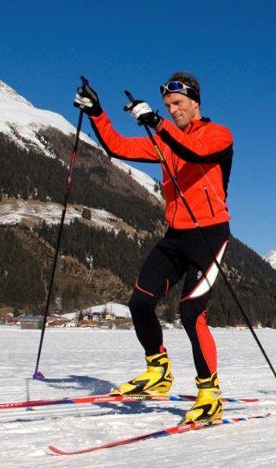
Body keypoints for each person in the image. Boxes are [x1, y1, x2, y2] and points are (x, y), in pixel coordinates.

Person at [74, 72, 234, 424]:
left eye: (178, 104)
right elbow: (118, 146)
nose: (173, 109)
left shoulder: (218, 135)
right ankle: (158, 370)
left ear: (195, 102)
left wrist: (157, 123)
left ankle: (209, 394)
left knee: (191, 313)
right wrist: (98, 112)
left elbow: (193, 150)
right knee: (140, 301)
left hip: (209, 235)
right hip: (176, 235)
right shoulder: (165, 141)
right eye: (167, 106)